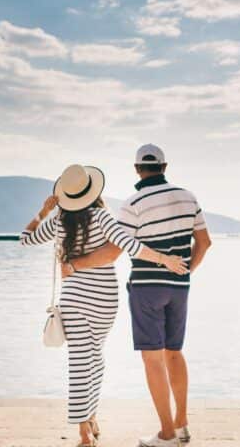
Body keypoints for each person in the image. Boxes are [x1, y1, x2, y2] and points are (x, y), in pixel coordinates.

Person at [20, 164, 188, 447]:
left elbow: (25, 239)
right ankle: (88, 423)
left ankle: (87, 426)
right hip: (103, 300)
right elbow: (129, 245)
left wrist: (43, 211)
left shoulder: (58, 221)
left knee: (79, 362)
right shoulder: (102, 216)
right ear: (93, 191)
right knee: (95, 359)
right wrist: (165, 260)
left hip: (73, 298)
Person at [62, 145, 212, 447]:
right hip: (179, 287)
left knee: (152, 359)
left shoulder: (133, 203)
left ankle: (167, 434)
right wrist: (186, 271)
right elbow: (205, 242)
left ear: (136, 170)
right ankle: (182, 423)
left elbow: (114, 250)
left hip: (146, 288)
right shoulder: (188, 196)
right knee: (174, 352)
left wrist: (75, 264)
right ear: (164, 166)